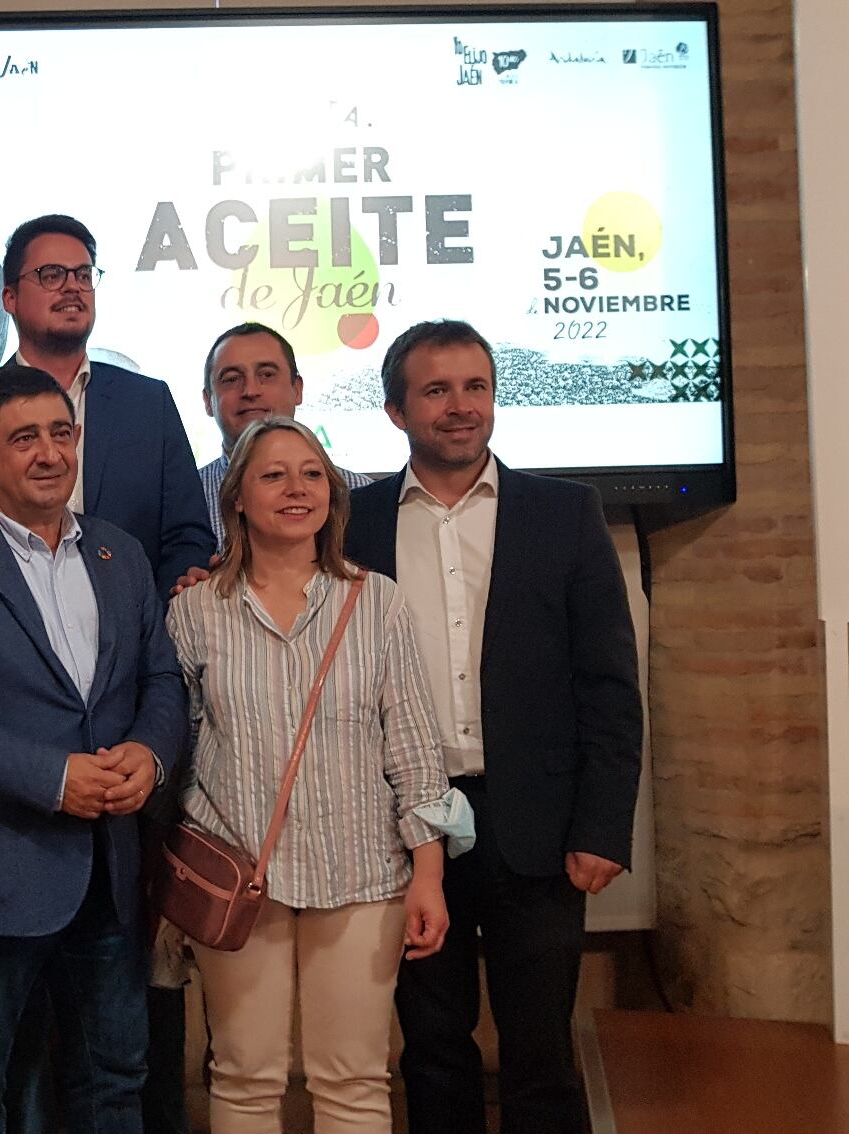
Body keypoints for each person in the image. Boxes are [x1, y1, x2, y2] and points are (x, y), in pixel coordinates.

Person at [344, 320, 641, 1134]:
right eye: (435, 390)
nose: (459, 407)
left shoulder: (565, 513)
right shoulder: (352, 522)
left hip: (539, 831)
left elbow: (610, 687)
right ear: (396, 410)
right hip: (401, 831)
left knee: (540, 1053)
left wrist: (604, 825)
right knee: (432, 1049)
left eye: (475, 387)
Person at [0, 364, 186, 1134]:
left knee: (115, 1080)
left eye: (61, 433)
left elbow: (161, 680)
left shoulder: (118, 554)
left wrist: (149, 757)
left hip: (110, 874)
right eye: (25, 439)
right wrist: (51, 777)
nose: (50, 453)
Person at [166, 416, 469, 1134]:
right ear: (236, 497)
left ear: (332, 495)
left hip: (362, 875)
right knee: (242, 1075)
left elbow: (415, 750)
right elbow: (174, 749)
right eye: (273, 475)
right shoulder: (194, 611)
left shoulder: (378, 602)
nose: (296, 489)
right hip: (240, 877)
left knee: (355, 1080)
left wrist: (429, 873)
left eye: (311, 475)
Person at [0, 214, 213, 594]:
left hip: (133, 631)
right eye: (52, 275)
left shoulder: (148, 404)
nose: (73, 287)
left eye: (84, 275)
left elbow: (187, 535)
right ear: (9, 298)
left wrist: (150, 613)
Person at [195, 323, 373, 546]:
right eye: (231, 379)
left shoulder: (359, 494)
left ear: (297, 389)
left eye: (267, 374)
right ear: (207, 401)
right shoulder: (183, 500)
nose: (250, 391)